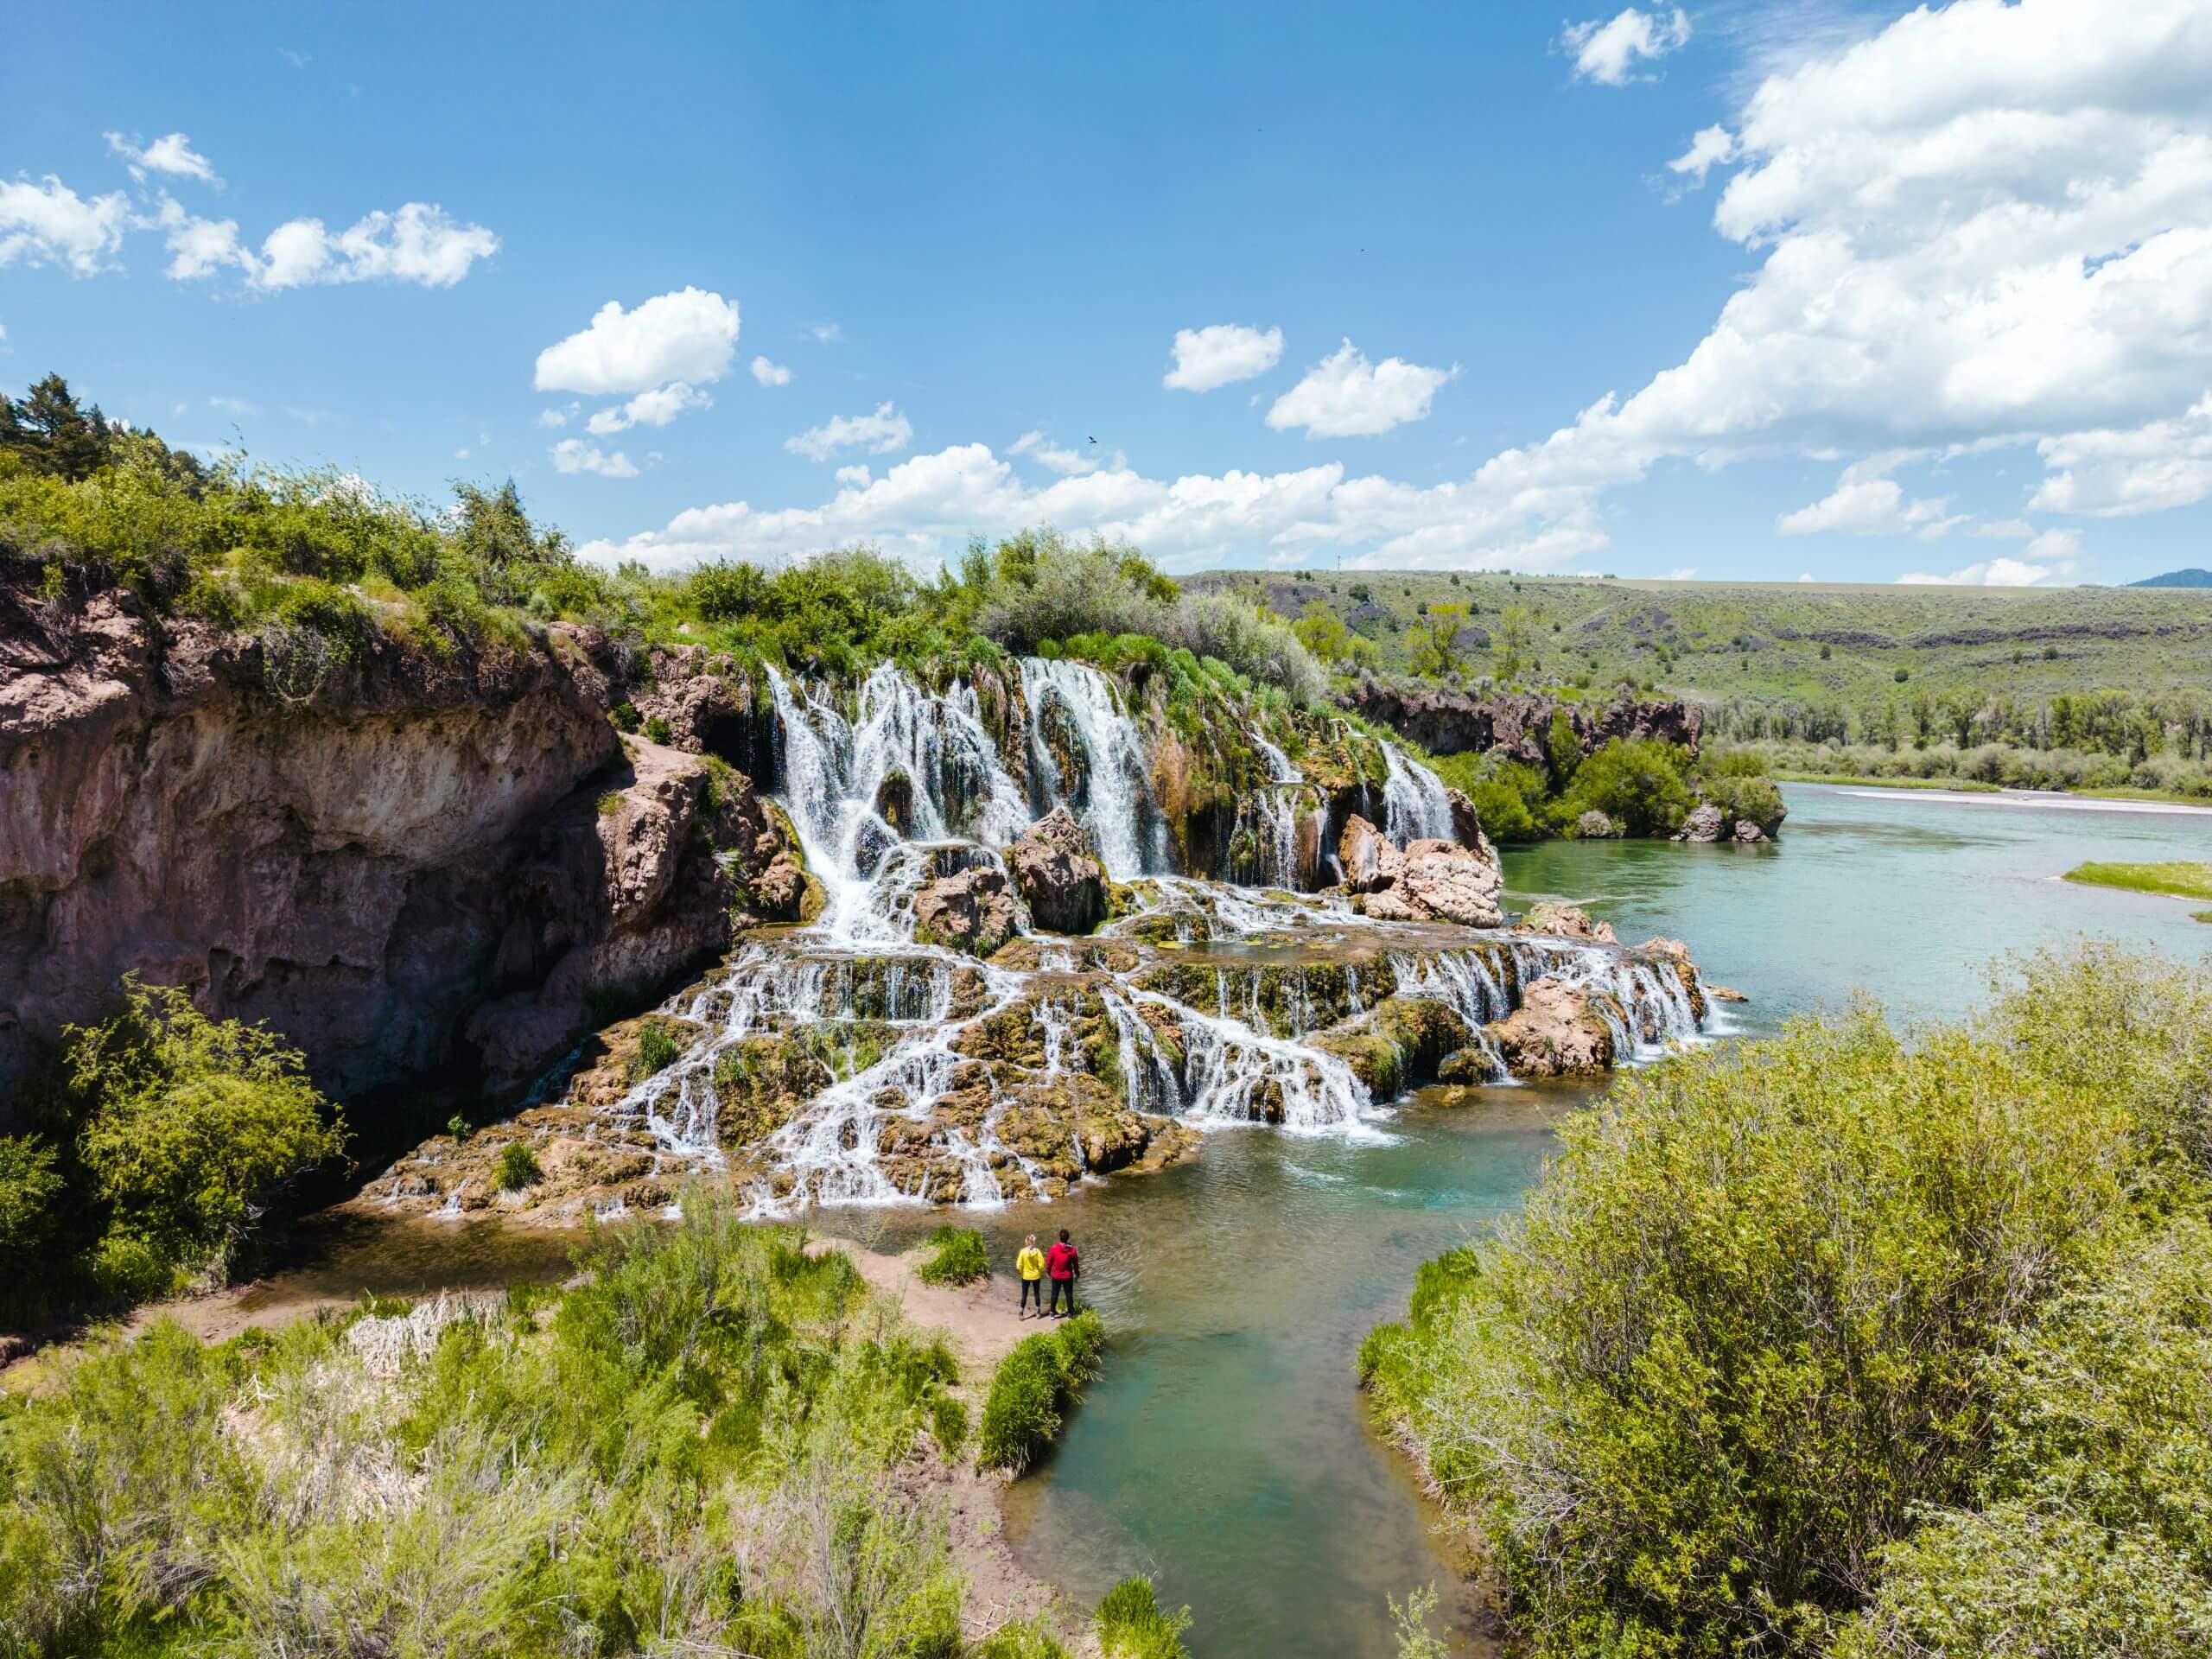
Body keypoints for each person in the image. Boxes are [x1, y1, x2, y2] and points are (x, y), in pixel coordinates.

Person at [1046, 1228, 1079, 1317]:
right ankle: (1070, 1313)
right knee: (1069, 1295)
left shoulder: (1054, 1248)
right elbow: (1075, 1263)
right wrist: (1077, 1273)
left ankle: (1052, 1312)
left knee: (1054, 1294)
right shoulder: (1072, 1250)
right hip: (1068, 1277)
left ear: (1060, 1237)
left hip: (1056, 1276)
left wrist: (1048, 1272)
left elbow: (1049, 1261)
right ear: (1068, 1238)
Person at [1015, 1233, 1046, 1317]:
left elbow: (1018, 1265)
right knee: (1037, 1293)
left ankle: (1021, 1313)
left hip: (1026, 1276)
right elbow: (1042, 1264)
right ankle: (1038, 1312)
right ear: (1034, 1242)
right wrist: (1039, 1270)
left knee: (1024, 1294)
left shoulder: (1023, 1252)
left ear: (1026, 1242)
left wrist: (1021, 1271)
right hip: (1036, 1275)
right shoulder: (1037, 1251)